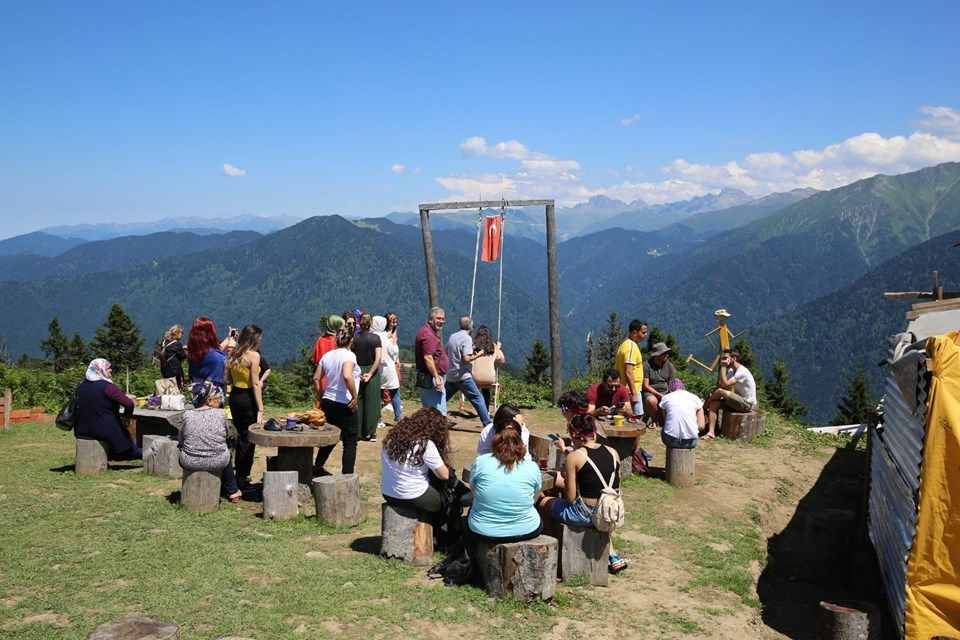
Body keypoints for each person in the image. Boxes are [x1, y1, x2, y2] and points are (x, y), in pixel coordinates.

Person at [537, 412, 627, 573]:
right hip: (610, 512)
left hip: (586, 515)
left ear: (574, 435)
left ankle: (555, 556)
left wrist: (567, 477)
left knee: (542, 503)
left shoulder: (574, 457)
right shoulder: (613, 452)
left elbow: (571, 499)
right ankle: (611, 553)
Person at [463, 415, 542, 572]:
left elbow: (475, 491)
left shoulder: (481, 462)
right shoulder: (532, 467)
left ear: (494, 441)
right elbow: (534, 498)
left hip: (483, 529)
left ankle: (470, 565)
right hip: (526, 528)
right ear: (521, 444)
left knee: (468, 518)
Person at [380, 407, 460, 543]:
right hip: (412, 495)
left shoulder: (392, 439)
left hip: (388, 493)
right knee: (447, 499)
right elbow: (444, 475)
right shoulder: (425, 444)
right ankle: (446, 537)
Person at [177, 380, 242, 502]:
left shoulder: (187, 415)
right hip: (217, 462)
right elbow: (226, 436)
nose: (221, 401)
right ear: (209, 401)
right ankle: (233, 492)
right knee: (225, 452)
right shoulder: (221, 414)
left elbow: (181, 439)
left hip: (189, 461)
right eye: (218, 398)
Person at [313, 328, 360, 475]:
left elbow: (316, 378)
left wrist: (321, 395)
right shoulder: (349, 356)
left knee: (330, 437)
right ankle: (347, 476)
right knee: (350, 442)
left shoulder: (327, 356)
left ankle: (318, 466)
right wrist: (354, 396)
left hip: (328, 400)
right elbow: (347, 375)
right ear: (351, 341)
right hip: (344, 402)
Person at [74, 358, 141, 460]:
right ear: (100, 369)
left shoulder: (82, 385)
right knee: (133, 451)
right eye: (108, 368)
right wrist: (127, 417)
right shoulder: (108, 387)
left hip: (83, 429)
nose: (111, 370)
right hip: (105, 429)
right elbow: (129, 404)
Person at [224, 325, 264, 487]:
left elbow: (226, 379)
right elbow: (255, 384)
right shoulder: (254, 356)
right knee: (248, 439)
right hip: (247, 398)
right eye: (259, 338)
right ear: (254, 338)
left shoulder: (234, 354)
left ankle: (236, 475)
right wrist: (260, 409)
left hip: (235, 397)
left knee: (240, 436)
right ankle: (242, 477)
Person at [444, 316, 491, 429]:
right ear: (470, 327)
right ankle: (488, 424)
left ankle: (428, 418)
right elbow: (466, 359)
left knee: (442, 398)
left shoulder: (452, 336)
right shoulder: (467, 339)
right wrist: (479, 354)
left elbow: (446, 351)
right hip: (463, 376)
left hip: (451, 375)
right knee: (478, 399)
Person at [703, 349, 757, 440]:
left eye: (725, 358)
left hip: (746, 404)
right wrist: (710, 395)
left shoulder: (742, 372)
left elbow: (726, 384)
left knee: (721, 392)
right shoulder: (732, 371)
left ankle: (705, 407)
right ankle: (711, 432)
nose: (723, 360)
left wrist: (723, 368)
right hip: (738, 400)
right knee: (714, 404)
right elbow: (722, 385)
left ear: (734, 358)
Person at [353, 314, 383, 442]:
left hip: (357, 370)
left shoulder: (354, 338)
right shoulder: (375, 338)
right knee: (373, 402)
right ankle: (371, 432)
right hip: (372, 371)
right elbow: (378, 358)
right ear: (371, 323)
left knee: (358, 400)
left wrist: (356, 371)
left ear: (359, 322)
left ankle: (357, 432)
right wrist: (370, 373)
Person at [415, 307, 448, 414]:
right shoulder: (428, 335)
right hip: (431, 378)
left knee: (429, 413)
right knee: (438, 413)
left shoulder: (428, 332)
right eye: (438, 318)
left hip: (429, 377)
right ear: (430, 319)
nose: (441, 321)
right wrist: (436, 377)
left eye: (442, 319)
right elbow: (428, 357)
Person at [615, 319, 648, 416]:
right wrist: (634, 394)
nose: (645, 335)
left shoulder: (625, 344)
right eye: (643, 332)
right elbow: (628, 372)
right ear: (634, 333)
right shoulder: (631, 347)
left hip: (627, 388)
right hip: (629, 390)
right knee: (635, 417)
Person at [659, 378, 704, 449]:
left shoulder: (666, 398)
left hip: (671, 440)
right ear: (683, 388)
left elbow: (666, 420)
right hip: (691, 442)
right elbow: (701, 426)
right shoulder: (696, 398)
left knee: (665, 428)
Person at [373, 315, 402, 424]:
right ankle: (398, 417)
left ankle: (378, 418)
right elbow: (393, 352)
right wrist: (394, 341)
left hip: (376, 368)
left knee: (378, 395)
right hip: (388, 368)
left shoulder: (372, 335)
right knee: (394, 393)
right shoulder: (384, 337)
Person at [312, 315, 345, 408]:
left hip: (321, 375)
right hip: (334, 377)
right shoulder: (336, 341)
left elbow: (315, 358)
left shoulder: (320, 339)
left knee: (321, 402)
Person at [187, 316, 226, 393]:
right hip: (213, 398)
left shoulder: (193, 355)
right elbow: (220, 380)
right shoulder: (217, 357)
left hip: (197, 395)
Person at [642, 342, 678, 424]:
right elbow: (645, 385)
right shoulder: (646, 365)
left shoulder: (669, 366)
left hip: (665, 390)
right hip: (650, 391)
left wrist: (670, 393)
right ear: (658, 354)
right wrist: (659, 395)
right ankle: (654, 420)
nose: (667, 355)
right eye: (664, 353)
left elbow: (671, 383)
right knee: (652, 401)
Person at [471, 324, 504, 409]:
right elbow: (502, 360)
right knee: (486, 389)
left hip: (474, 378)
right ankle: (486, 408)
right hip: (489, 378)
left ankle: (479, 406)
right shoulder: (493, 347)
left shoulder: (473, 346)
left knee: (478, 386)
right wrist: (499, 349)